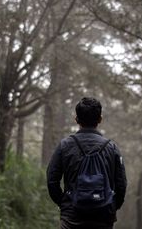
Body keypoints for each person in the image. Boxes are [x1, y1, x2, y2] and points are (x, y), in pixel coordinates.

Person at [47, 97, 127, 229]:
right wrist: (112, 206)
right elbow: (121, 184)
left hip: (71, 217)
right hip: (103, 216)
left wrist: (64, 204)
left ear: (76, 119)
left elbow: (52, 180)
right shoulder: (112, 148)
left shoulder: (65, 146)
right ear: (100, 119)